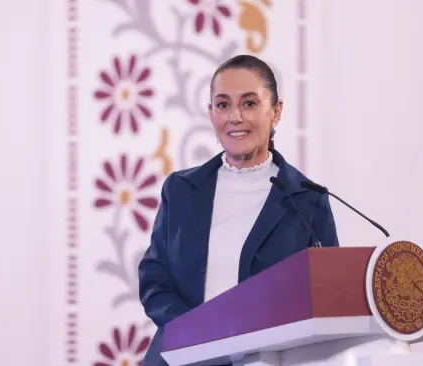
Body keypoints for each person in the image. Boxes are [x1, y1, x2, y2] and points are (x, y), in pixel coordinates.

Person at [137, 54, 340, 365]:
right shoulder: (180, 190)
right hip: (179, 358)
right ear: (210, 114)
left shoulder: (307, 200)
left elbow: (326, 297)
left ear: (276, 111)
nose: (235, 117)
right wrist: (196, 332)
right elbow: (154, 278)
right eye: (222, 105)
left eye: (249, 103)